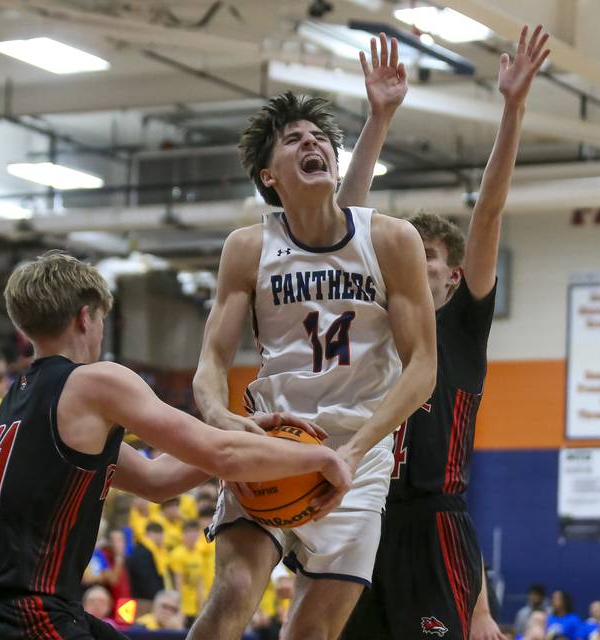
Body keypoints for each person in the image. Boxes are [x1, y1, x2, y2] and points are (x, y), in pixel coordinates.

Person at [0, 251, 352, 640]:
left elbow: (154, 479)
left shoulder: (19, 397)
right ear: (86, 317)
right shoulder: (96, 381)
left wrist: (244, 432)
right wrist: (319, 457)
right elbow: (221, 455)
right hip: (28, 614)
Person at [186, 32, 437, 640]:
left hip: (361, 448)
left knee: (313, 633)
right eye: (294, 138)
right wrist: (222, 420)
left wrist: (355, 450)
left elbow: (423, 365)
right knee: (232, 595)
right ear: (270, 176)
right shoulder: (248, 248)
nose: (313, 142)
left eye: (321, 136)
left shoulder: (391, 240)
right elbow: (210, 364)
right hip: (275, 434)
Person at [341, 24, 550, 640]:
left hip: (435, 523)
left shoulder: (461, 324)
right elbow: (347, 223)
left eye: (430, 253)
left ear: (454, 274)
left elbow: (488, 210)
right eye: (410, 250)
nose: (418, 260)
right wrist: (378, 118)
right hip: (365, 515)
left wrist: (512, 107)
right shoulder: (374, 320)